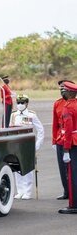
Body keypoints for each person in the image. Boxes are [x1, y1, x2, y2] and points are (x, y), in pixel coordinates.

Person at [10, 94, 44, 200]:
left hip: (28, 145)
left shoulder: (32, 115)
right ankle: (20, 191)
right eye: (18, 103)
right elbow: (10, 129)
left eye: (22, 103)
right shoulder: (13, 115)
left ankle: (27, 192)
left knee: (27, 169)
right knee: (17, 168)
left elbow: (41, 130)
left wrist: (37, 145)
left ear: (27, 103)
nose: (20, 105)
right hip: (16, 145)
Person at [52, 79, 75, 200]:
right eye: (60, 88)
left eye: (64, 88)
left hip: (71, 139)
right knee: (62, 168)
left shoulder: (73, 104)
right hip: (60, 138)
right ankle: (66, 191)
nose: (62, 90)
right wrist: (53, 140)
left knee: (72, 168)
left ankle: (73, 193)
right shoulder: (57, 103)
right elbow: (55, 123)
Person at [58, 81, 77, 214]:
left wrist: (65, 149)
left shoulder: (68, 107)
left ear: (70, 93)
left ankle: (74, 204)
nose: (62, 93)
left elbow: (69, 129)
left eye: (64, 90)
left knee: (73, 175)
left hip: (72, 143)